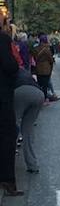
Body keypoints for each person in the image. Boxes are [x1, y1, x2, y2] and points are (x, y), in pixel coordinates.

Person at [0, 27, 21, 195]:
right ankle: (7, 180)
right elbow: (11, 65)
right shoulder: (3, 39)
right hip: (2, 96)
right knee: (8, 135)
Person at [14, 67, 44, 174]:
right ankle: (32, 164)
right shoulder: (22, 70)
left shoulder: (6, 71)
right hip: (38, 94)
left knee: (12, 126)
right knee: (28, 130)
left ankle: (7, 162)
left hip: (19, 92)